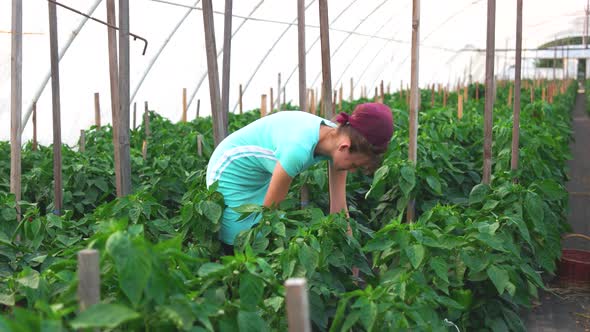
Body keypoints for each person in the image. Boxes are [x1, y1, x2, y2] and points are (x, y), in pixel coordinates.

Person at [205, 103, 394, 251]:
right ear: (344, 146)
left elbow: (339, 207)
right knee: (241, 241)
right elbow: (270, 213)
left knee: (260, 237)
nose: (352, 170)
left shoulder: (337, 140)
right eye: (354, 165)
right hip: (230, 172)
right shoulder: (298, 148)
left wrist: (350, 251)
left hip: (258, 175)